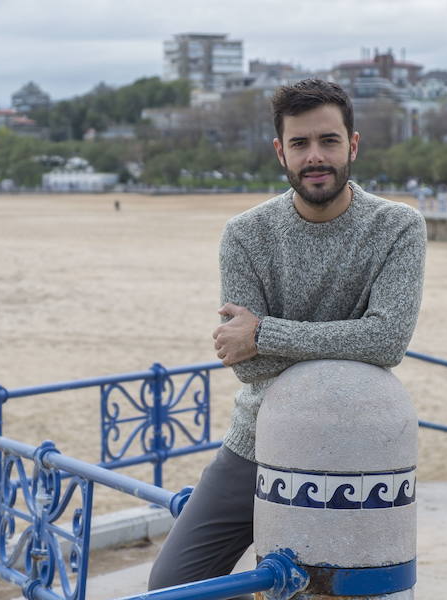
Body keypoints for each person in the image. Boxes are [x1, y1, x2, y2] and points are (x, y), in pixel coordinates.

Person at [147, 79, 426, 594]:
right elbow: (246, 365)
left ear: (353, 145)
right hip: (256, 441)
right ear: (280, 151)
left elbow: (387, 341)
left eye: (328, 141)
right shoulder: (246, 234)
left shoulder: (397, 227)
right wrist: (344, 340)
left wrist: (265, 332)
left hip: (360, 454)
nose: (315, 157)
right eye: (300, 144)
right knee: (171, 586)